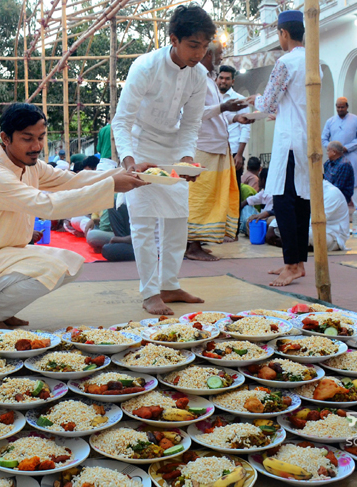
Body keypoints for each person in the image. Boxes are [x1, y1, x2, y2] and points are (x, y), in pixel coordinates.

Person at [0, 103, 147, 328]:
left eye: (41, 137)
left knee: (69, 263)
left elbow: (70, 180)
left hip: (1, 254)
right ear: (5, 138)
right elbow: (47, 206)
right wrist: (111, 185)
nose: (36, 146)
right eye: (27, 138)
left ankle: (0, 312)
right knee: (49, 269)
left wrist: (126, 173)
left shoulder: (29, 164)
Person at [112, 4, 216, 314]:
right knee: (144, 224)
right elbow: (122, 119)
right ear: (174, 39)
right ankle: (149, 293)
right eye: (193, 45)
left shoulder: (199, 76)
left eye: (205, 45)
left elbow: (191, 124)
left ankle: (169, 285)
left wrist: (187, 159)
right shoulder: (146, 66)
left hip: (172, 149)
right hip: (141, 146)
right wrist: (129, 162)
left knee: (177, 221)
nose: (199, 53)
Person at [245, 10, 315, 287]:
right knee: (301, 202)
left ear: (283, 33)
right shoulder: (313, 62)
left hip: (288, 143)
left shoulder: (285, 62)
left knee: (285, 203)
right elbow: (294, 104)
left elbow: (267, 104)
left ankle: (291, 264)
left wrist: (254, 98)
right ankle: (297, 263)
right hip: (306, 140)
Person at [186, 41, 250, 260]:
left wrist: (234, 117)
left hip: (217, 147)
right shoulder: (194, 77)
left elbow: (216, 114)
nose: (222, 59)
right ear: (208, 54)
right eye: (220, 55)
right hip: (203, 147)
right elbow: (194, 114)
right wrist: (225, 107)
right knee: (199, 196)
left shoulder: (209, 80)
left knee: (210, 197)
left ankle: (196, 243)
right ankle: (192, 246)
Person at [266, 180, 349, 251]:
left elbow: (314, 221)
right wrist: (273, 227)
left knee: (307, 234)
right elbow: (290, 212)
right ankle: (292, 244)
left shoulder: (332, 194)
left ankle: (289, 244)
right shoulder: (304, 190)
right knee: (276, 225)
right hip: (306, 227)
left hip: (332, 235)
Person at [321, 96, 357, 207]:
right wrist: (333, 149)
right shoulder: (330, 121)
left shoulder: (355, 119)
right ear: (336, 107)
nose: (340, 109)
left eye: (342, 107)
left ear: (347, 107)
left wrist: (347, 148)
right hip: (335, 157)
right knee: (333, 180)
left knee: (355, 181)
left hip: (351, 154)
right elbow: (323, 139)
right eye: (338, 107)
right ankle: (336, 206)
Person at [217, 65, 250, 175]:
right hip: (214, 150)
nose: (223, 81)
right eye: (221, 78)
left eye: (227, 79)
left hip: (233, 151)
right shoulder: (211, 98)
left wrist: (239, 154)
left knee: (233, 189)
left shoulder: (240, 99)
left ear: (233, 81)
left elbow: (245, 128)